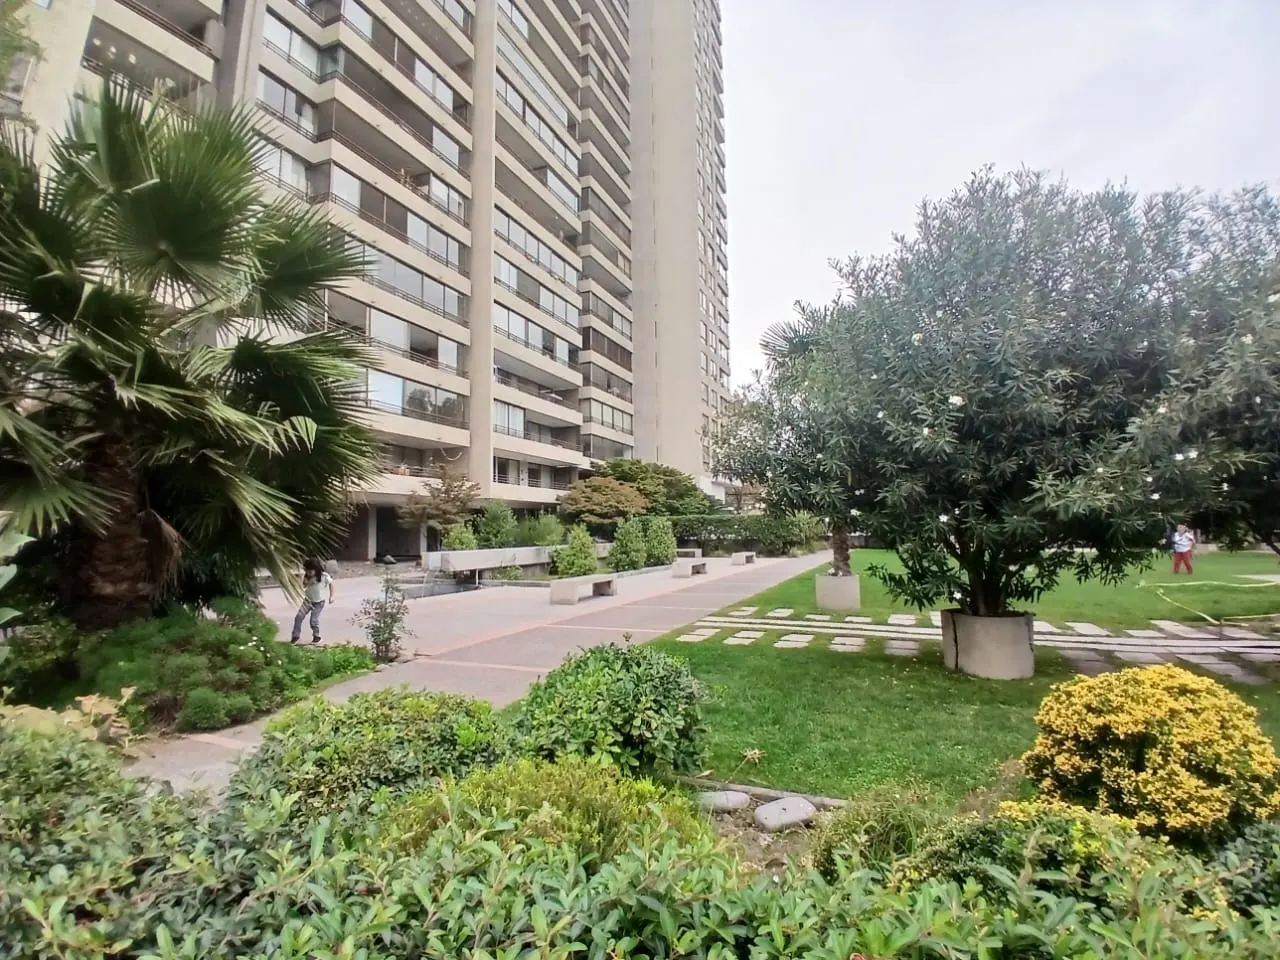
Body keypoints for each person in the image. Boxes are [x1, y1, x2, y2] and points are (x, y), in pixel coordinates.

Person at [291, 558, 334, 644]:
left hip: (319, 602)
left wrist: (331, 596)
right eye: (307, 571)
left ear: (317, 570)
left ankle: (316, 636)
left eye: (311, 571)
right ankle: (295, 636)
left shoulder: (324, 576)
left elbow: (331, 585)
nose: (309, 573)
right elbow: (303, 586)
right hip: (308, 600)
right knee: (299, 616)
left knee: (313, 621)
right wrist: (303, 580)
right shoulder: (307, 577)